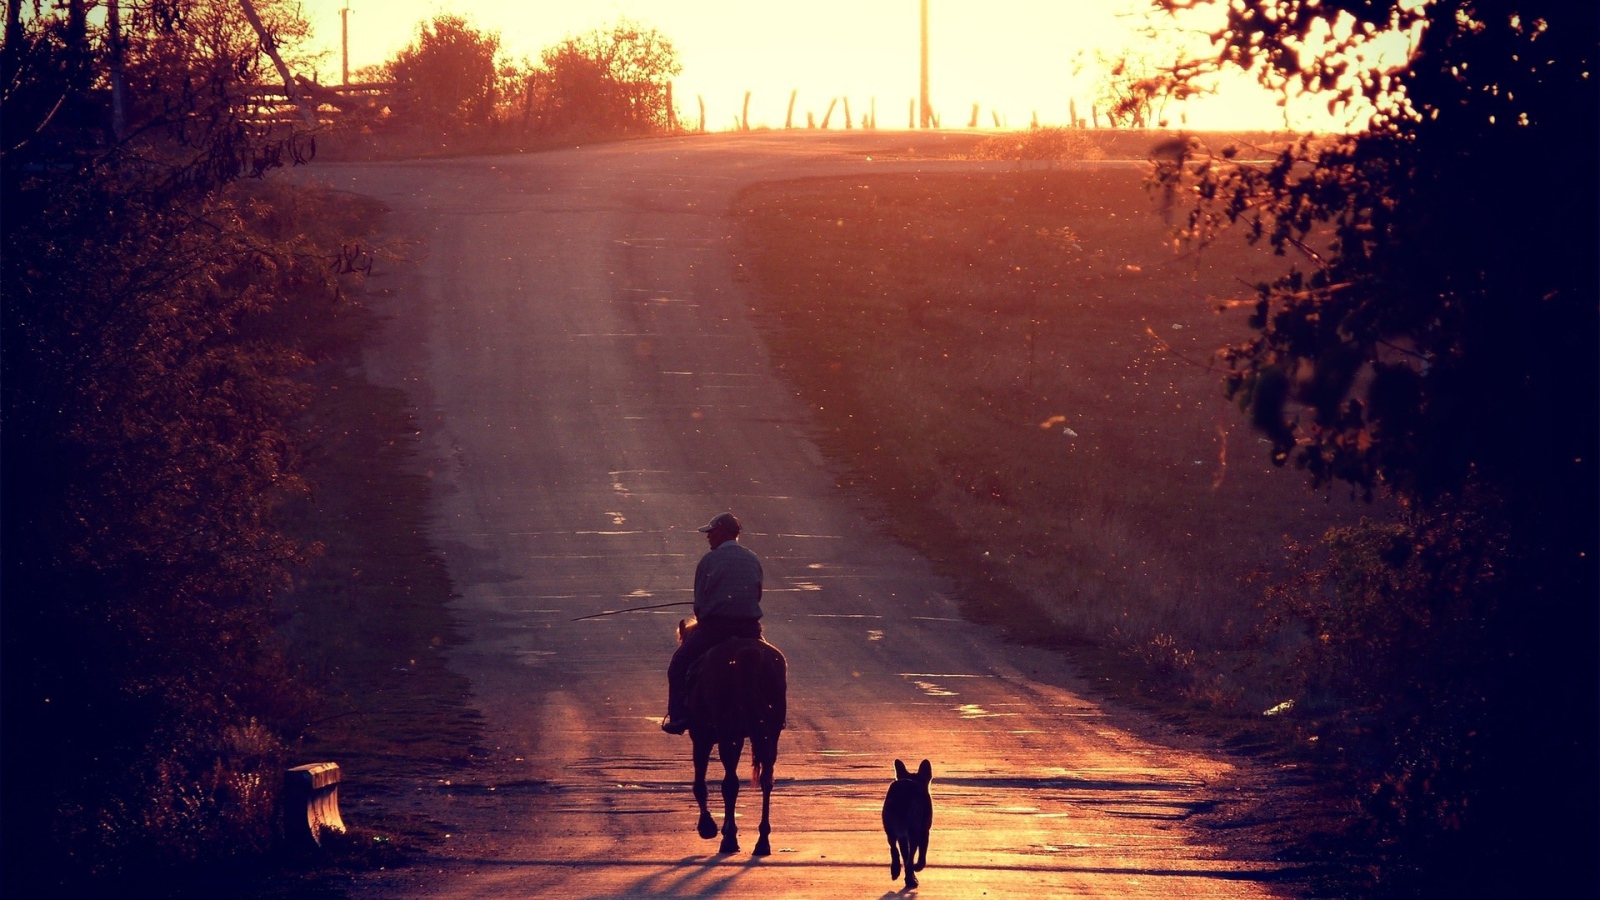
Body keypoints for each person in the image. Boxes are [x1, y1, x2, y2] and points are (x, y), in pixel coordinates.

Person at [661, 512, 764, 734]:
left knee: (678, 665)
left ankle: (679, 716)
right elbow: (757, 594)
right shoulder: (752, 558)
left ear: (723, 533)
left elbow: (699, 603)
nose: (708, 537)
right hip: (750, 629)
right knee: (769, 663)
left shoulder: (709, 561)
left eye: (711, 533)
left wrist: (710, 609)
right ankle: (770, 714)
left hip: (715, 629)